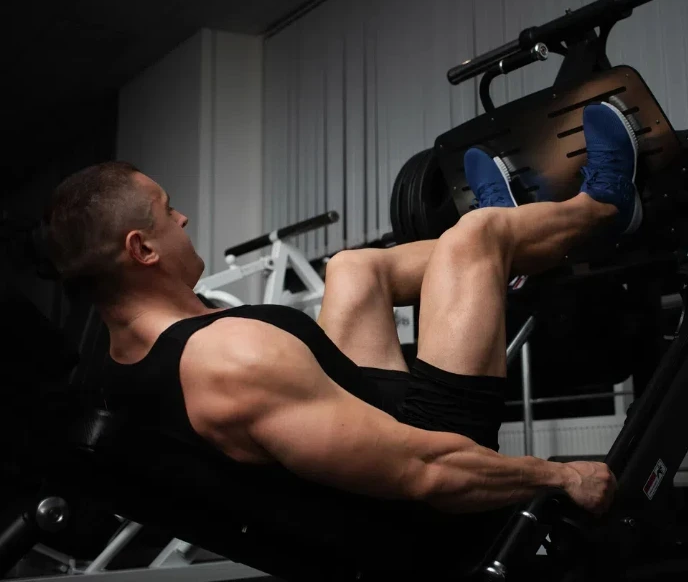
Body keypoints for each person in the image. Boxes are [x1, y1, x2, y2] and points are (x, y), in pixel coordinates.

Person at [42, 102, 639, 518]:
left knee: (354, 267)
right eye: (167, 211)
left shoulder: (124, 356)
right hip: (433, 452)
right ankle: (606, 209)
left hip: (367, 409)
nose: (182, 220)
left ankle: (513, 251)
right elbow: (424, 472)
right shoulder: (228, 363)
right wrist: (561, 476)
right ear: (141, 249)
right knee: (473, 236)